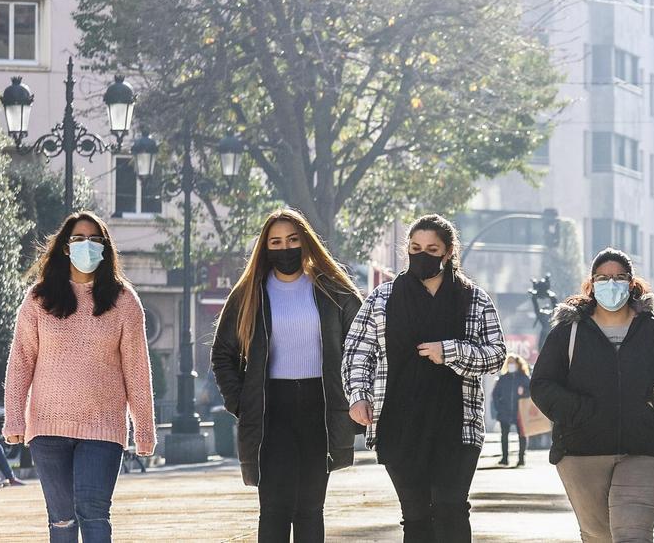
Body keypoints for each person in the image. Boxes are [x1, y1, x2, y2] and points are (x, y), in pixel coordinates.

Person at [342, 214, 506, 542]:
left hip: (457, 426)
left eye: (432, 248)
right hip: (399, 424)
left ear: (447, 253)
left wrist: (451, 351)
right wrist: (358, 394)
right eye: (416, 247)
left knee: (450, 508)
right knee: (415, 517)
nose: (422, 254)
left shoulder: (474, 299)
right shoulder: (382, 298)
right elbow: (357, 351)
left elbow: (497, 356)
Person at [210, 208, 364, 542]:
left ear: (306, 242)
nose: (285, 248)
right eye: (276, 242)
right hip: (270, 410)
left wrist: (357, 399)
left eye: (293, 240)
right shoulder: (249, 293)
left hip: (319, 407)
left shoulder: (333, 291)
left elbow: (364, 347)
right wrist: (242, 402)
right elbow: (223, 354)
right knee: (275, 509)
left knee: (310, 508)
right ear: (265, 248)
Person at [2, 211, 156, 542]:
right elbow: (21, 362)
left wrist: (144, 429)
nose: (87, 246)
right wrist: (14, 419)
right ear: (66, 248)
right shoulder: (39, 298)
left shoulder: (124, 301)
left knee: (94, 513)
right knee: (61, 520)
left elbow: (137, 370)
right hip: (47, 429)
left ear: (105, 248)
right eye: (78, 239)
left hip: (103, 429)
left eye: (94, 240)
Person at [531, 248, 654, 543]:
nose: (611, 284)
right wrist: (580, 412)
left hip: (645, 450)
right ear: (592, 284)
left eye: (619, 277)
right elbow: (543, 385)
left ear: (632, 284)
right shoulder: (568, 333)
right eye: (603, 278)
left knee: (633, 536)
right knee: (598, 536)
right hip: (581, 451)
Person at [492, 354, 532, 467]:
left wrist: (523, 392)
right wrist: (498, 408)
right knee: (504, 436)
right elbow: (495, 395)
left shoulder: (524, 378)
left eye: (512, 363)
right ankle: (504, 459)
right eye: (509, 363)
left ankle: (521, 459)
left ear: (517, 364)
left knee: (522, 436)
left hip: (520, 412)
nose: (511, 365)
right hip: (504, 412)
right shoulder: (503, 378)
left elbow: (532, 392)